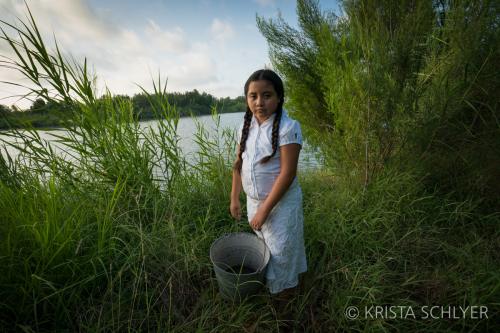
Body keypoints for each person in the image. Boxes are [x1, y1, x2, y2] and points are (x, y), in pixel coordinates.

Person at [230, 69, 307, 296]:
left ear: (279, 97)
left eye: (267, 95)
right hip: (255, 203)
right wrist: (234, 198)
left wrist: (265, 210)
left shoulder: (288, 127)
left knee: (282, 252)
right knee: (265, 252)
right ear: (246, 98)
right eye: (253, 96)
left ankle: (286, 300)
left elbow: (288, 174)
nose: (259, 102)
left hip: (281, 205)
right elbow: (238, 166)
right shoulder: (245, 128)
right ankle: (274, 291)